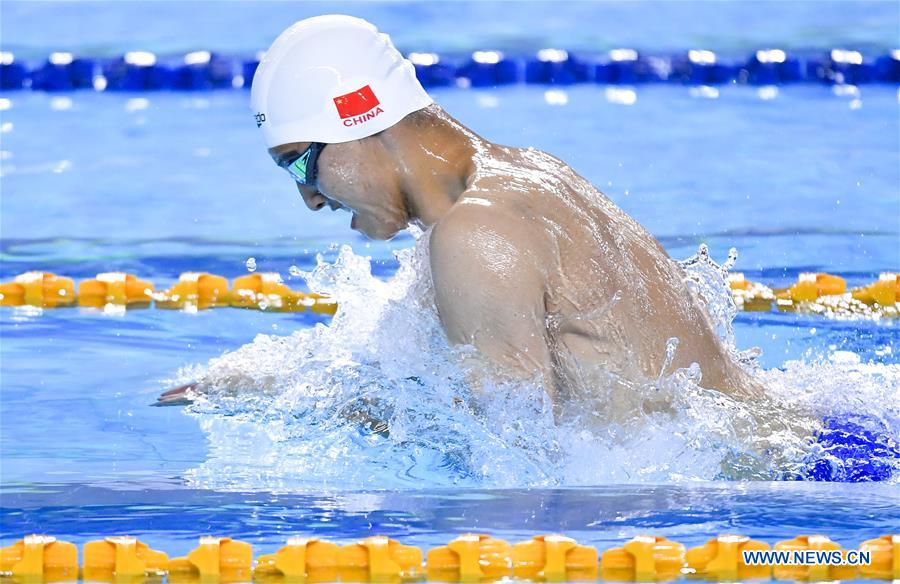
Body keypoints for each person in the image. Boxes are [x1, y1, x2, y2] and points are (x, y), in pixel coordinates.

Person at [242, 14, 760, 407]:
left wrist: (324, 413)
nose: (309, 197)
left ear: (360, 118)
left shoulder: (472, 234)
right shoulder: (528, 174)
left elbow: (518, 462)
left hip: (768, 489)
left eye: (301, 163)